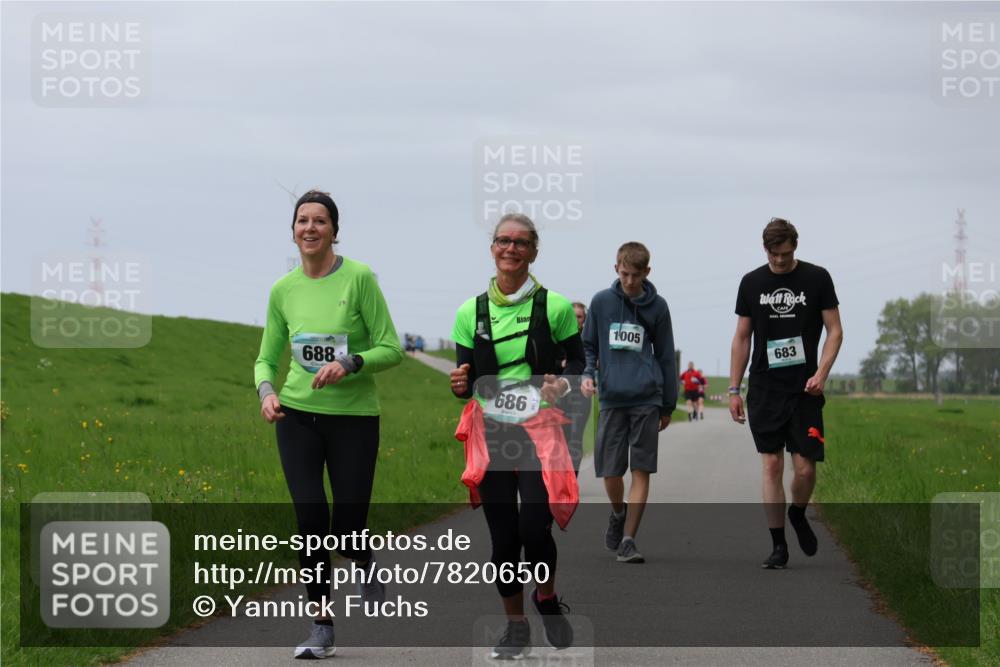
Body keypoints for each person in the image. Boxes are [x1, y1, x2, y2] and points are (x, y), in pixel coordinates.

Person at [254, 189, 404, 658]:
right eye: (303, 220)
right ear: (293, 231)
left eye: (321, 221)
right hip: (297, 417)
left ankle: (362, 558)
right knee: (311, 519)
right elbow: (264, 358)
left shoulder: (359, 279)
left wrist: (352, 362)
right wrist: (267, 392)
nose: (311, 228)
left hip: (355, 420)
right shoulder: (283, 290)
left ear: (335, 231)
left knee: (347, 525)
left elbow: (391, 347)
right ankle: (322, 625)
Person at [450, 213, 583, 659]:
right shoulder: (471, 311)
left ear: (534, 251)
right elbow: (467, 379)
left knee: (533, 525)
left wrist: (561, 385)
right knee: (504, 537)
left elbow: (579, 362)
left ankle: (545, 596)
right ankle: (515, 627)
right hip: (491, 432)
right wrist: (459, 385)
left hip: (539, 431)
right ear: (492, 248)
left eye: (521, 243)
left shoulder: (556, 307)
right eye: (503, 241)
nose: (511, 249)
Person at [728, 218, 843, 569]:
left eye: (787, 253)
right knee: (773, 464)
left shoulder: (817, 278)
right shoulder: (751, 282)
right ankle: (778, 545)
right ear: (766, 249)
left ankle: (798, 513)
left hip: (805, 389)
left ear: (796, 247)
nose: (780, 260)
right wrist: (734, 387)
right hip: (764, 387)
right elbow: (742, 337)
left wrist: (821, 373)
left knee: (805, 470)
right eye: (774, 254)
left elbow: (835, 331)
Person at [581, 242, 676, 564]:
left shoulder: (658, 307)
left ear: (647, 272)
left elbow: (665, 357)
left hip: (646, 397)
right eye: (625, 274)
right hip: (611, 397)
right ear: (616, 268)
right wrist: (587, 373)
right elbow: (589, 345)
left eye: (636, 275)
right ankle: (618, 512)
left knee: (641, 469)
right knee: (610, 470)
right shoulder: (601, 302)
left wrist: (668, 405)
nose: (631, 281)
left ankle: (629, 540)